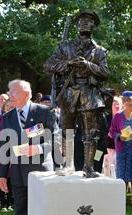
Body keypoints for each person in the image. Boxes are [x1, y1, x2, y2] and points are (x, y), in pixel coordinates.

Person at [0, 79, 59, 215]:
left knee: (41, 214)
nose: (10, 96)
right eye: (9, 92)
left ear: (27, 93)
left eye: (13, 92)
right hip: (17, 174)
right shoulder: (8, 117)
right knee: (21, 214)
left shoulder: (44, 112)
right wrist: (2, 174)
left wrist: (38, 149)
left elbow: (56, 140)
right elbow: (5, 148)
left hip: (40, 173)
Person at [44, 9, 110, 177]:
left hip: (90, 94)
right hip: (69, 93)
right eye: (81, 21)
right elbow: (49, 66)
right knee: (67, 131)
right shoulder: (65, 47)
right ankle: (68, 165)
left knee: (91, 133)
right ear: (77, 25)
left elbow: (105, 73)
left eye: (89, 21)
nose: (85, 23)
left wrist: (88, 65)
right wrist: (68, 63)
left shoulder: (100, 51)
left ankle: (88, 167)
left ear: (94, 26)